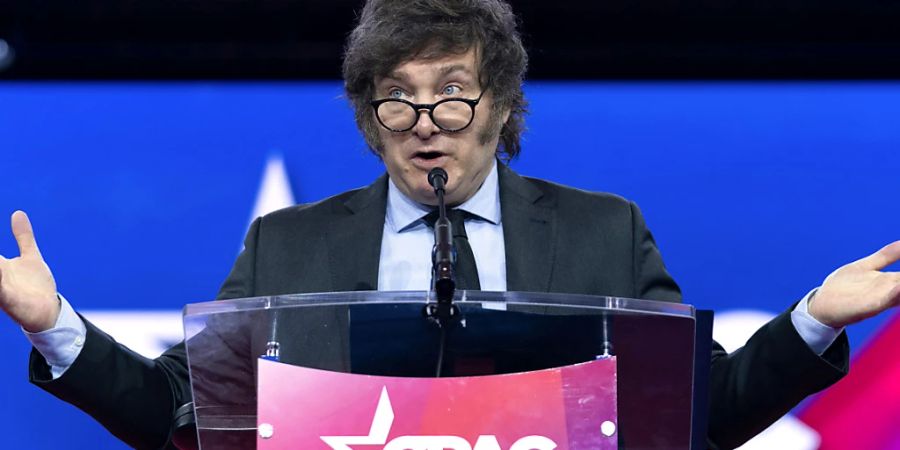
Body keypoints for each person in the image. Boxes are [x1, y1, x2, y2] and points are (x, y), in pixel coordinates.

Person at [1, 0, 899, 448]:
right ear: (369, 118)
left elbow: (697, 420)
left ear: (503, 107)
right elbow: (181, 418)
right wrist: (56, 327)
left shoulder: (602, 232)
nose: (426, 121)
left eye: (454, 95)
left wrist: (815, 315)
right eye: (397, 99)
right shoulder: (292, 244)